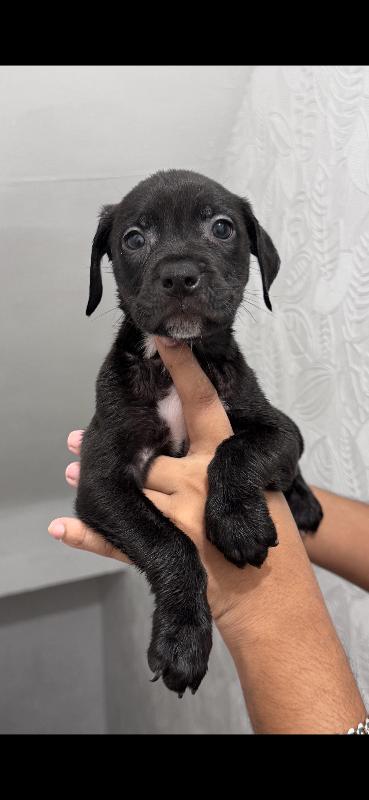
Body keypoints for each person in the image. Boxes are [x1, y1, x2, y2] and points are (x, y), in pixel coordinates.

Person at [49, 337, 369, 734]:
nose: (184, 296)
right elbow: (99, 492)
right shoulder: (120, 383)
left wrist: (243, 484)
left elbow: (282, 436)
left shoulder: (228, 369)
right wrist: (176, 572)